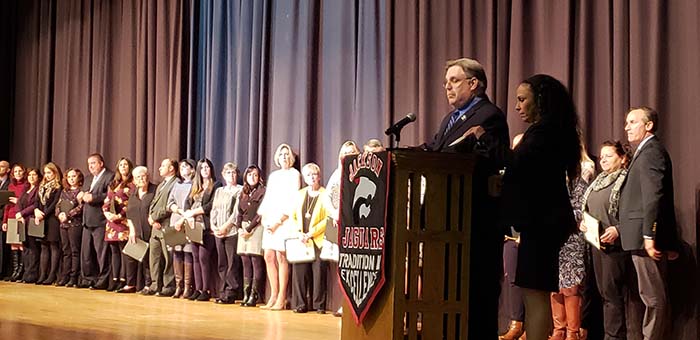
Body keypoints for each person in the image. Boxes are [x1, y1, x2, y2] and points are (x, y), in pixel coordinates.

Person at [422, 57, 510, 339]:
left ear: (474, 84)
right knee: (447, 287)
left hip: (474, 219)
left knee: (475, 290)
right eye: (445, 82)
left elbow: (493, 158)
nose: (447, 87)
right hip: (445, 217)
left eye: (454, 81)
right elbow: (436, 148)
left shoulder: (490, 115)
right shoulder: (450, 119)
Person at [500, 74, 582, 340]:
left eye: (523, 99)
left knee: (534, 294)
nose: (517, 107)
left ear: (541, 100)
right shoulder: (556, 130)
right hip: (545, 222)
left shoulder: (544, 133)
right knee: (534, 292)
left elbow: (520, 168)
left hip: (541, 222)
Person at [618, 107, 680, 340]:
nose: (627, 127)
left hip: (645, 237)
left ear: (648, 125)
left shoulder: (651, 151)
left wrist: (648, 235)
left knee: (653, 296)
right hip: (641, 236)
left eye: (633, 122)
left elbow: (653, 196)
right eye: (626, 122)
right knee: (651, 294)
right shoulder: (644, 152)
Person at [581, 140, 643, 339]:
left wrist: (618, 230)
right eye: (601, 156)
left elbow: (637, 213)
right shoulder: (598, 181)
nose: (603, 160)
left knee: (616, 297)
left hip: (617, 248)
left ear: (623, 158)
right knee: (604, 295)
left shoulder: (627, 181)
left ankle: (617, 337)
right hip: (596, 246)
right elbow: (589, 210)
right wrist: (583, 223)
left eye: (609, 156)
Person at [550, 147, 595, 340]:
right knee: (554, 286)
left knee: (571, 287)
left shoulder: (581, 174)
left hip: (572, 234)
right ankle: (558, 330)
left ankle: (572, 332)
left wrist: (559, 217)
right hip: (552, 236)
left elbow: (580, 206)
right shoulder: (552, 175)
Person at [258, 143, 301, 310]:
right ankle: (273, 294)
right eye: (281, 154)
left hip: (284, 220)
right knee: (268, 256)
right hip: (271, 219)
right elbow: (268, 197)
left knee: (281, 257)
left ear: (290, 157)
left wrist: (278, 221)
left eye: (286, 154)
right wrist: (264, 218)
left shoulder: (294, 174)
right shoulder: (274, 175)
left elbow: (293, 200)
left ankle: (282, 297)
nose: (284, 156)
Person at [289, 163, 332, 314]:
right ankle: (300, 304)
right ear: (305, 178)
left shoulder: (326, 194)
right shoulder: (300, 194)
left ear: (319, 176)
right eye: (309, 175)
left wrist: (311, 233)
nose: (312, 177)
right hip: (301, 239)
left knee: (319, 272)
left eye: (314, 174)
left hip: (318, 239)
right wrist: (299, 233)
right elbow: (293, 216)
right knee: (299, 272)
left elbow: (328, 218)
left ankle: (319, 305)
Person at [326, 140, 361, 317]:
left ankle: (353, 304)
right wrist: (334, 215)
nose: (347, 155)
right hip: (337, 224)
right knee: (341, 265)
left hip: (355, 225)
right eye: (344, 152)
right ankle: (344, 303)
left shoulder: (361, 172)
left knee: (354, 265)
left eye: (351, 152)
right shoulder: (336, 174)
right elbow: (328, 198)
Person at [181, 158, 221, 302]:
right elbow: (187, 203)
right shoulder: (195, 185)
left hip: (206, 226)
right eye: (202, 167)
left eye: (207, 167)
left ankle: (206, 289)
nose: (205, 170)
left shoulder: (216, 185)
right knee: (196, 257)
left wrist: (194, 212)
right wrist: (187, 214)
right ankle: (198, 289)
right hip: (193, 226)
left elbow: (212, 205)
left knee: (204, 257)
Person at [500, 134, 526, 340]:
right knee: (512, 280)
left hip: (530, 236)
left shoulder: (535, 174)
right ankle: (515, 323)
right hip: (509, 237)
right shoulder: (507, 173)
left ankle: (531, 326)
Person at [79, 153, 115, 289]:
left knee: (102, 253)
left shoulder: (110, 176)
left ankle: (103, 280)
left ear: (101, 163)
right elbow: (84, 193)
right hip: (87, 220)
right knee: (86, 253)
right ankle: (88, 279)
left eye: (93, 163)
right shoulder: (88, 178)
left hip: (100, 220)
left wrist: (94, 198)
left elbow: (110, 195)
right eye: (89, 164)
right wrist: (81, 195)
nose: (91, 166)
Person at [119, 166, 156, 293]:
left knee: (148, 258)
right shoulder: (133, 193)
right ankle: (130, 284)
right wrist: (132, 230)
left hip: (150, 230)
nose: (141, 179)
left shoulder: (155, 190)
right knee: (130, 256)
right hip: (136, 230)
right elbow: (129, 212)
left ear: (148, 176)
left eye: (143, 176)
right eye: (137, 177)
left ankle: (148, 285)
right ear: (134, 180)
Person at [210, 162, 243, 304]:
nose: (231, 175)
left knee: (232, 262)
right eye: (228, 173)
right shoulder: (219, 191)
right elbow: (214, 210)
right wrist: (214, 225)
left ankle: (231, 291)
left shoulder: (240, 190)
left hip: (231, 231)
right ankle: (222, 290)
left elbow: (236, 212)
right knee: (222, 262)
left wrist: (226, 227)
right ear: (223, 175)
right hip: (218, 231)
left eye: (234, 173)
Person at [145, 158, 178, 296]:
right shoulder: (161, 185)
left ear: (171, 168)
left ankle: (168, 286)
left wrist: (155, 217)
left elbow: (169, 206)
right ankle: (154, 285)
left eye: (163, 165)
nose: (159, 168)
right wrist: (150, 218)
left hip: (167, 225)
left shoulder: (176, 183)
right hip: (155, 227)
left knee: (169, 257)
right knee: (154, 257)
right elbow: (153, 203)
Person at [102, 158, 135, 291]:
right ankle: (114, 279)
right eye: (120, 165)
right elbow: (107, 201)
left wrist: (120, 215)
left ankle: (124, 279)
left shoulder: (132, 184)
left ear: (130, 167)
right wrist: (106, 213)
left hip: (124, 222)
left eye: (125, 165)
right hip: (111, 223)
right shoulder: (113, 183)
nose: (123, 167)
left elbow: (130, 204)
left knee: (123, 252)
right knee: (114, 251)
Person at [237, 165, 266, 307]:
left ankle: (254, 294)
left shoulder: (263, 191)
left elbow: (261, 213)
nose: (252, 178)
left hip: (255, 228)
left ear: (259, 177)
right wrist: (239, 227)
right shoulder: (243, 192)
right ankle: (246, 293)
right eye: (250, 175)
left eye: (255, 175)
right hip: (243, 229)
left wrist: (249, 228)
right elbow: (239, 212)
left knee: (255, 260)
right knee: (245, 261)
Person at [167, 159, 196, 298]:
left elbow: (195, 202)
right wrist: (178, 210)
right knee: (176, 252)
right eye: (181, 167)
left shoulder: (195, 184)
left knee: (187, 252)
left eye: (186, 166)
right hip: (175, 219)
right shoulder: (177, 184)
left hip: (189, 220)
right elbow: (170, 202)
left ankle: (187, 287)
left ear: (192, 169)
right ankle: (178, 286)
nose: (183, 168)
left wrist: (185, 215)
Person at [35, 162, 63, 285]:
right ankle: (42, 274)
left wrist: (43, 214)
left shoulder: (58, 186)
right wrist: (36, 211)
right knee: (43, 246)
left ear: (55, 173)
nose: (47, 175)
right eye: (45, 173)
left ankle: (52, 275)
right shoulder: (42, 186)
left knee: (53, 246)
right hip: (41, 218)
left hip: (52, 219)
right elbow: (37, 201)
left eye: (49, 173)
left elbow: (54, 203)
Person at [56, 168, 84, 287]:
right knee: (66, 251)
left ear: (78, 178)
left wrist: (68, 215)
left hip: (74, 224)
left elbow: (81, 207)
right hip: (63, 224)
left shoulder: (81, 192)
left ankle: (74, 277)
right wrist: (59, 214)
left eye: (74, 176)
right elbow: (58, 205)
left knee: (74, 251)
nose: (71, 179)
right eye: (69, 177)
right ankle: (64, 276)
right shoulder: (64, 191)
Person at [2, 164, 28, 282]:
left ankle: (22, 271)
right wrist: (5, 221)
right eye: (15, 171)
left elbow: (28, 201)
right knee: (13, 244)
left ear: (23, 172)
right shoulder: (11, 186)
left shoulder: (26, 185)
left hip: (21, 216)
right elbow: (7, 205)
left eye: (20, 171)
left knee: (21, 244)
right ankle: (15, 271)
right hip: (11, 216)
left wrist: (19, 201)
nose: (17, 173)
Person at [17, 168, 42, 283]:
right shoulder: (26, 189)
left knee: (33, 248)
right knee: (25, 247)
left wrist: (22, 213)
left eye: (34, 175)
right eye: (30, 175)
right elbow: (19, 203)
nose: (31, 177)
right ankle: (26, 273)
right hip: (23, 221)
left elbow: (35, 205)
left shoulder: (38, 189)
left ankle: (32, 275)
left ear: (38, 177)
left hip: (32, 221)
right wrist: (19, 214)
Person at [0, 160, 10, 280]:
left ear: (8, 170)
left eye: (2, 167)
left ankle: (2, 271)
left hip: (3, 217)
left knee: (3, 246)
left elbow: (8, 203)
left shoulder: (10, 183)